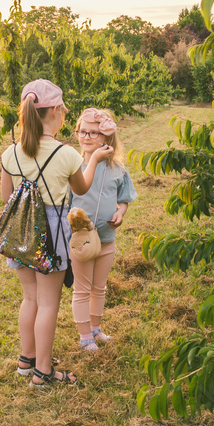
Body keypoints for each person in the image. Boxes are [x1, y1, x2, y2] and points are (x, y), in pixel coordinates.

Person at [0, 80, 111, 388]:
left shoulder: (10, 153)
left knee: (30, 298)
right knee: (49, 302)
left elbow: (6, 195)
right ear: (57, 113)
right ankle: (43, 372)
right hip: (51, 234)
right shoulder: (66, 154)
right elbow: (81, 187)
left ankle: (27, 360)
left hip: (21, 233)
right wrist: (94, 159)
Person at [68, 108, 138, 351]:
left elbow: (124, 198)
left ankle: (96, 328)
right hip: (82, 241)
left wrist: (120, 212)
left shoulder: (118, 169)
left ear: (107, 138)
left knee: (100, 287)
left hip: (107, 238)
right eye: (82, 131)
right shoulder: (74, 168)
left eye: (94, 133)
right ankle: (84, 335)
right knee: (83, 288)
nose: (86, 137)